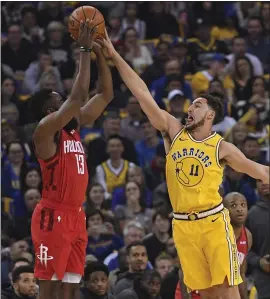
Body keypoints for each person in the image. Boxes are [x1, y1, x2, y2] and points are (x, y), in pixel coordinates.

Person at [99, 29, 269, 299]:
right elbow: (142, 92)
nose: (190, 109)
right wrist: (114, 55)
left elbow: (260, 171)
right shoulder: (173, 131)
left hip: (213, 222)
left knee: (226, 292)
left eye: (197, 105)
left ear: (211, 115)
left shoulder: (222, 147)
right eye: (190, 106)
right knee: (203, 294)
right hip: (182, 225)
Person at [29, 20, 113, 299]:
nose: (65, 99)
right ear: (49, 108)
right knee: (49, 287)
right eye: (58, 98)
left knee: (70, 286)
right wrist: (83, 50)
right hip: (53, 216)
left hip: (77, 215)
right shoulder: (44, 132)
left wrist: (100, 52)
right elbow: (78, 95)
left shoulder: (73, 128)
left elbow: (105, 94)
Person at [223, 192, 252, 299]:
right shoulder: (218, 235)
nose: (239, 209)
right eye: (233, 205)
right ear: (224, 211)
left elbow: (241, 274)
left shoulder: (247, 235)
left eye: (243, 205)